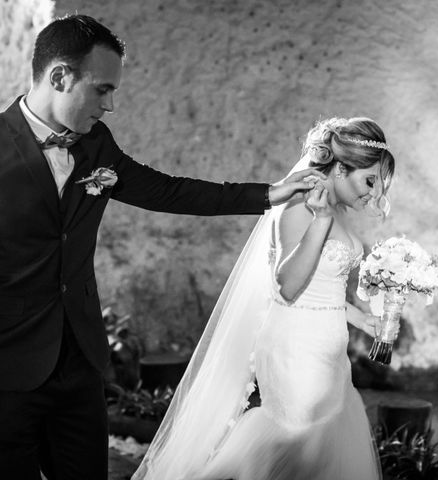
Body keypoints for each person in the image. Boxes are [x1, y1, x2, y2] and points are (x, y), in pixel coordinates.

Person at [0, 14, 323, 480]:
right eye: (102, 89)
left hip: (79, 363)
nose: (110, 105)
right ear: (59, 76)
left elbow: (168, 191)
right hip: (8, 367)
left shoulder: (97, 146)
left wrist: (268, 193)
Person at [133, 116, 396, 480]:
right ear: (339, 167)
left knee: (320, 455)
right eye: (369, 180)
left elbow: (324, 288)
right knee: (298, 445)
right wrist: (319, 223)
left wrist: (362, 319)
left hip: (329, 350)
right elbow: (287, 285)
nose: (373, 193)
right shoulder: (299, 208)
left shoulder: (335, 212)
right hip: (295, 349)